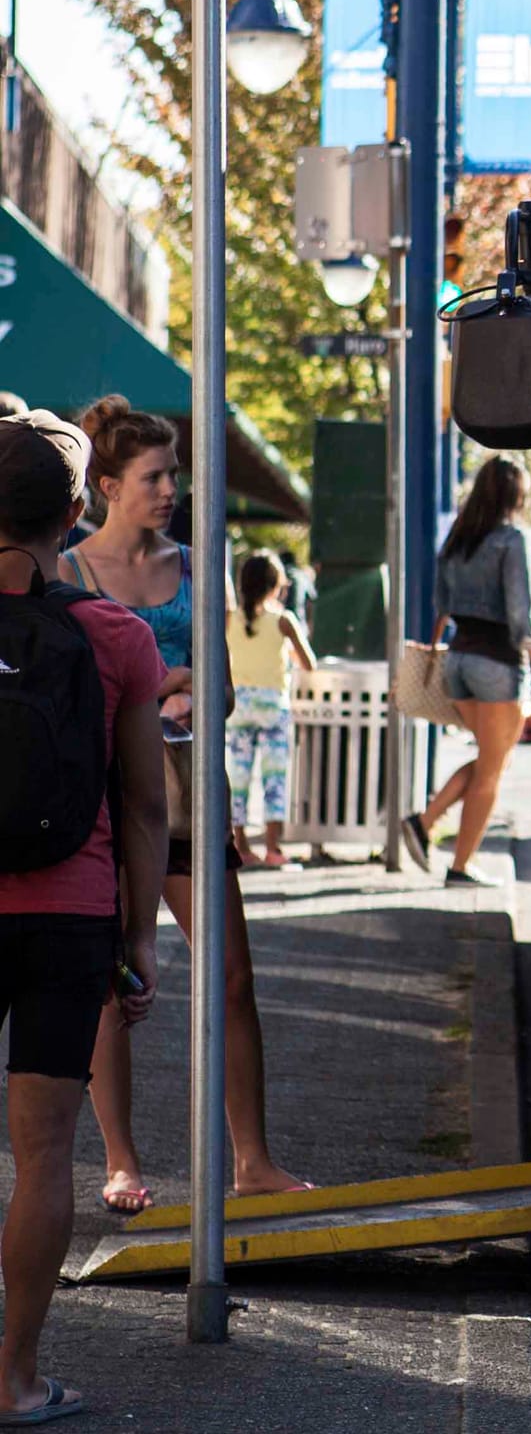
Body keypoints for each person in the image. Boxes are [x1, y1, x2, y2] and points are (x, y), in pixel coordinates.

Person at [64, 397, 306, 1212]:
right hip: (104, 805)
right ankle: (122, 1161)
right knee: (112, 982)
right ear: (105, 485)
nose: (171, 488)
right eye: (154, 475)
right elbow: (76, 701)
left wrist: (173, 689)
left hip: (189, 803)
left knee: (233, 977)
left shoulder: (197, 564)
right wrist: (163, 685)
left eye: (174, 474)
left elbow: (226, 690)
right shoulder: (71, 571)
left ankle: (253, 1159)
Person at [0, 411, 166, 1429]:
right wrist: (136, 941)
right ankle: (14, 1380)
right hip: (68, 916)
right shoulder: (114, 636)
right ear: (74, 512)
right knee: (45, 1157)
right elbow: (145, 803)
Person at [403, 457, 531, 887]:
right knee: (492, 770)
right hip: (499, 662)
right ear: (516, 495)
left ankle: (423, 823)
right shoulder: (512, 539)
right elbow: (521, 612)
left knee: (488, 758)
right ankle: (460, 866)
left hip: (458, 661)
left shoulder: (458, 539)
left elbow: (442, 603)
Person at [227, 554, 317, 868]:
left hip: (238, 704)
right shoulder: (283, 620)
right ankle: (272, 848)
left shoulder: (229, 618)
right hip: (272, 706)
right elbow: (309, 663)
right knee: (274, 778)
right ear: (276, 587)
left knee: (238, 777)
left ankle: (240, 846)